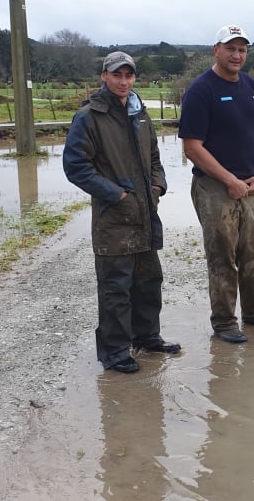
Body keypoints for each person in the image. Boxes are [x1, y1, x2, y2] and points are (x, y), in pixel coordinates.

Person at [63, 51, 179, 374]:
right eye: (117, 75)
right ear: (104, 76)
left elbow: (154, 157)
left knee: (148, 281)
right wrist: (116, 195)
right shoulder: (89, 116)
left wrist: (158, 187)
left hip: (145, 214)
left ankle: (147, 337)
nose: (123, 81)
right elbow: (75, 166)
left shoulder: (140, 113)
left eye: (129, 75)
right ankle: (114, 352)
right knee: (116, 288)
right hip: (113, 219)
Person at [178, 24, 254, 343]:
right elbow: (192, 147)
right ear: (216, 50)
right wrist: (229, 180)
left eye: (242, 49)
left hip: (250, 185)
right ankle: (225, 322)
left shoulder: (252, 88)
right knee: (222, 254)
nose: (237, 54)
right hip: (214, 187)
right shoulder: (202, 90)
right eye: (231, 48)